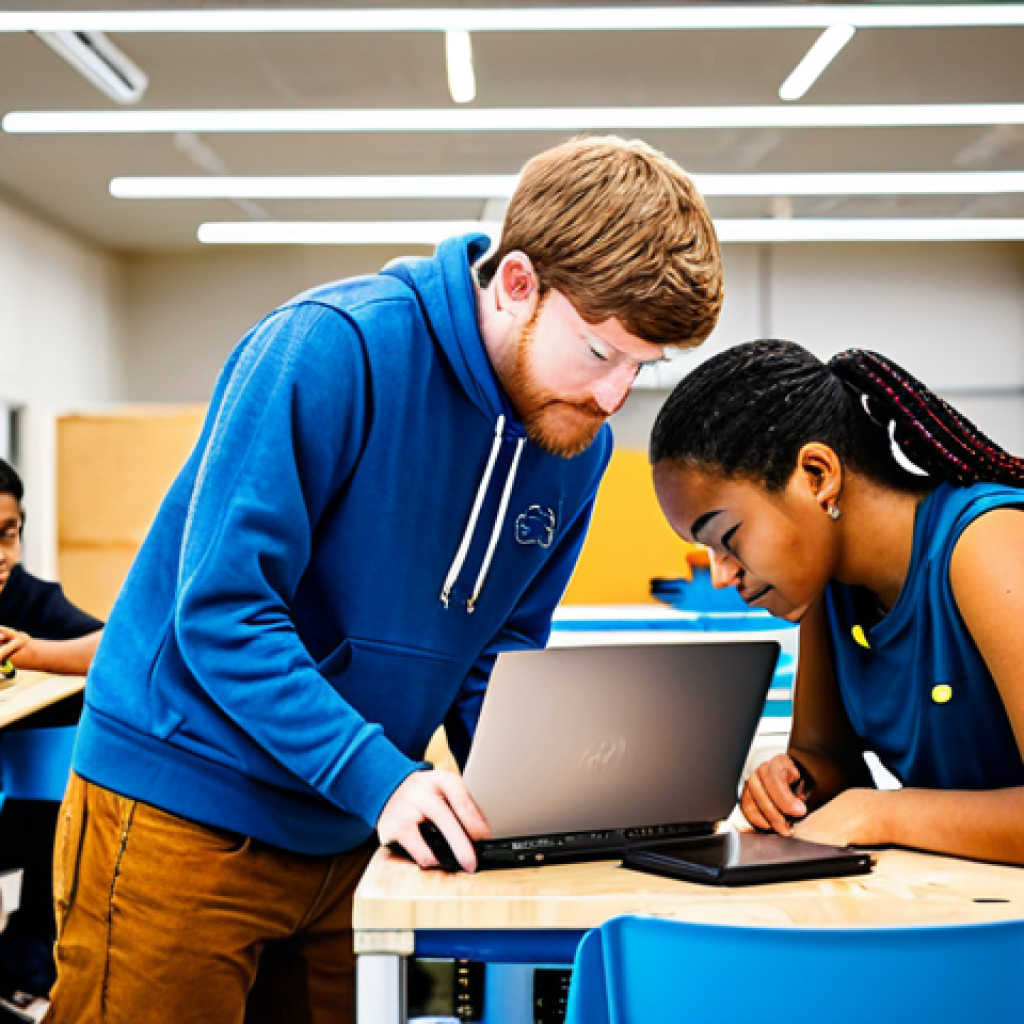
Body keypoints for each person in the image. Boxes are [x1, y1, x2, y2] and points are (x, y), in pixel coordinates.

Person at [46, 136, 723, 1024]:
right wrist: (381, 776)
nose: (613, 399)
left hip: (359, 829)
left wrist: (548, 807)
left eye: (644, 367)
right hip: (187, 805)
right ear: (517, 283)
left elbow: (500, 651)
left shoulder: (572, 446)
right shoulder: (331, 349)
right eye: (601, 353)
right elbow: (224, 613)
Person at [650, 339, 1024, 866]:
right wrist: (793, 782)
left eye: (727, 537)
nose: (720, 576)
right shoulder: (829, 592)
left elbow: (867, 807)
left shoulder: (987, 546)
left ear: (818, 476)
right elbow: (830, 762)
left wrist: (883, 814)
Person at [0, 457, 103, 999]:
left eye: (8, 535)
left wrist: (35, 650)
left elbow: (114, 644)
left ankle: (29, 953)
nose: (0, 554)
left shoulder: (31, 600)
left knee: (66, 814)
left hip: (30, 811)